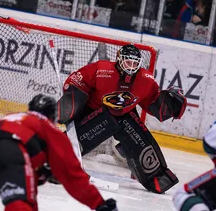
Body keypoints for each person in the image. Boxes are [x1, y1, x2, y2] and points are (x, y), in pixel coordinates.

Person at [58, 44, 187, 194]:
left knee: (141, 141)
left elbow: (152, 101)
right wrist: (72, 102)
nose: (131, 66)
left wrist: (168, 105)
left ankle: (156, 177)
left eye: (134, 63)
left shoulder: (146, 80)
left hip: (124, 114)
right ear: (119, 59)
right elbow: (77, 81)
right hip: (96, 111)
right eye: (128, 61)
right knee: (78, 139)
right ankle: (55, 157)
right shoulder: (102, 70)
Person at [0, 94, 118, 211]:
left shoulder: (17, 117)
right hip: (9, 149)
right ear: (52, 116)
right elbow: (71, 175)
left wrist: (42, 173)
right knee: (20, 203)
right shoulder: (48, 128)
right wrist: (100, 204)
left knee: (24, 195)